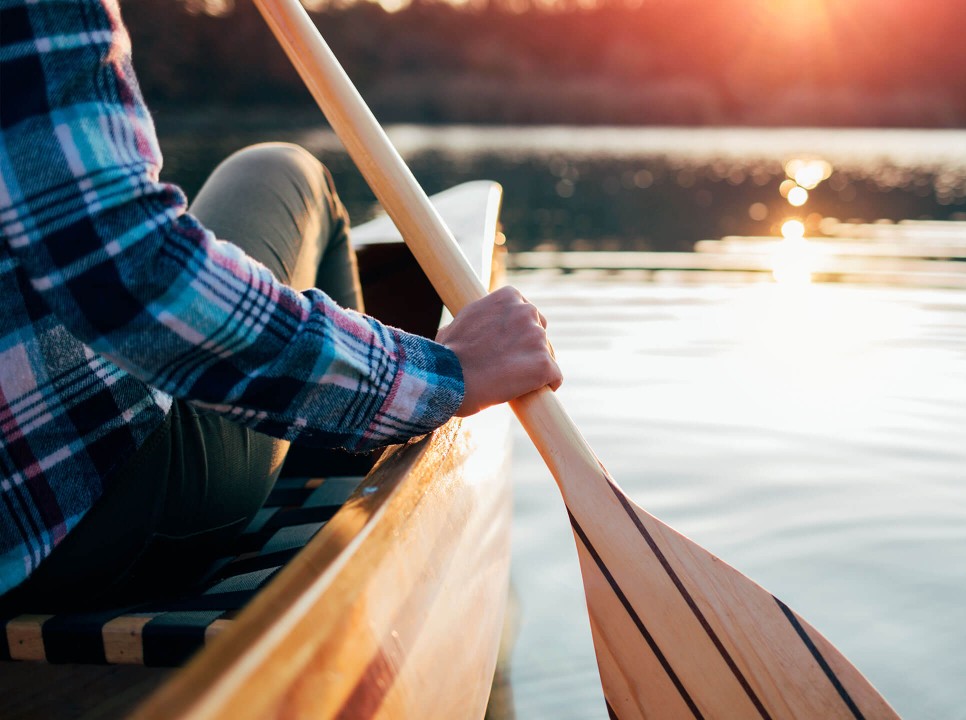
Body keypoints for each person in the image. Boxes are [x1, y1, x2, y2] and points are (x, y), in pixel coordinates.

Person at [0, 0, 561, 611]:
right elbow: (131, 277)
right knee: (284, 169)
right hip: (81, 514)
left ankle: (336, 418)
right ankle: (351, 452)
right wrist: (439, 378)